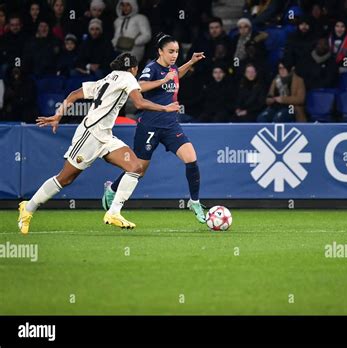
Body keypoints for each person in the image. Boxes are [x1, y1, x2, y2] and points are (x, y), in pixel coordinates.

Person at [17, 53, 180, 234]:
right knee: (65, 178)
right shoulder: (128, 77)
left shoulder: (107, 78)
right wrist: (165, 108)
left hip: (105, 136)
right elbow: (139, 103)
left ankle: (114, 212)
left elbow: (74, 94)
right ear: (133, 68)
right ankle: (28, 208)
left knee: (135, 167)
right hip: (90, 135)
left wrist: (58, 115)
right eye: (137, 69)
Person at [102, 33, 207, 223]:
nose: (174, 55)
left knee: (191, 159)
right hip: (149, 126)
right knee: (138, 170)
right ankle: (112, 189)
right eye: (170, 51)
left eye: (176, 51)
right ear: (160, 51)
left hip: (170, 125)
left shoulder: (172, 68)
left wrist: (190, 62)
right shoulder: (152, 68)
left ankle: (194, 201)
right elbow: (139, 86)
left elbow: (175, 75)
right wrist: (162, 80)